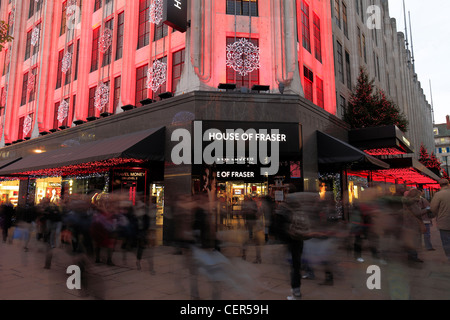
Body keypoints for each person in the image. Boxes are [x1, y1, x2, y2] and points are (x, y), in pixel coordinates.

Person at [402, 188, 427, 263]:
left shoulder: (406, 201)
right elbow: (417, 213)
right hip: (413, 223)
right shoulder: (413, 202)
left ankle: (410, 255)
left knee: (410, 239)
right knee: (414, 240)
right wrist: (427, 209)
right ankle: (413, 257)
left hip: (407, 222)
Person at [430, 179, 450, 262]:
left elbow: (433, 208)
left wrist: (437, 214)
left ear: (439, 185)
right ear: (448, 184)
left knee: (446, 241)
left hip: (444, 221)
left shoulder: (438, 195)